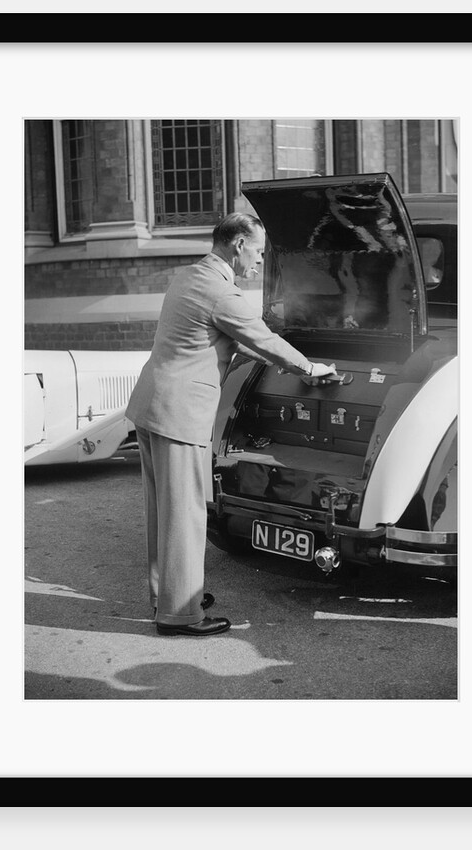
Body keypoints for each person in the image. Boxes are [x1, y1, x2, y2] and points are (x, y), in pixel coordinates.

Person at [126, 212, 337, 637]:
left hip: (151, 405)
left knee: (161, 510)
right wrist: (309, 367)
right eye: (258, 251)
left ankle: (166, 595)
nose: (259, 262)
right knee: (185, 514)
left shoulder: (188, 276)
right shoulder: (223, 293)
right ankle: (181, 615)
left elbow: (226, 337)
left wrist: (271, 356)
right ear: (238, 243)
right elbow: (261, 337)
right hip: (180, 413)